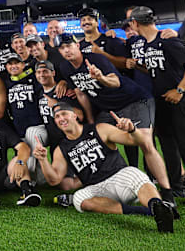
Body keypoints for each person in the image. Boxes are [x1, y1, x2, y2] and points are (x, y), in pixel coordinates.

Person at [57, 33, 175, 206]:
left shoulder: (96, 59)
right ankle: (115, 185)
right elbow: (81, 93)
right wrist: (90, 122)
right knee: (92, 141)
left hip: (134, 100)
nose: (66, 50)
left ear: (78, 46)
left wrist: (101, 78)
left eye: (69, 45)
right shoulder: (65, 68)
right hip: (110, 109)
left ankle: (167, 194)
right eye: (62, 48)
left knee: (145, 142)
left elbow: (116, 82)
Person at [33, 103, 175, 233]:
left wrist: (132, 129)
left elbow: (136, 141)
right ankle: (150, 211)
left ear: (75, 115)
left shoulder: (100, 129)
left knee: (135, 175)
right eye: (57, 117)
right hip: (97, 188)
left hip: (120, 176)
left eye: (64, 113)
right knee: (78, 198)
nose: (61, 118)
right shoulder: (61, 148)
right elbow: (54, 179)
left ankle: (159, 208)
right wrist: (43, 160)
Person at [127, 6, 185, 205]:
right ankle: (177, 187)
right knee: (167, 145)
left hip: (179, 101)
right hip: (161, 101)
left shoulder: (167, 39)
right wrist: (139, 66)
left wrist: (180, 90)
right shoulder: (148, 44)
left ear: (135, 23)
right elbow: (157, 70)